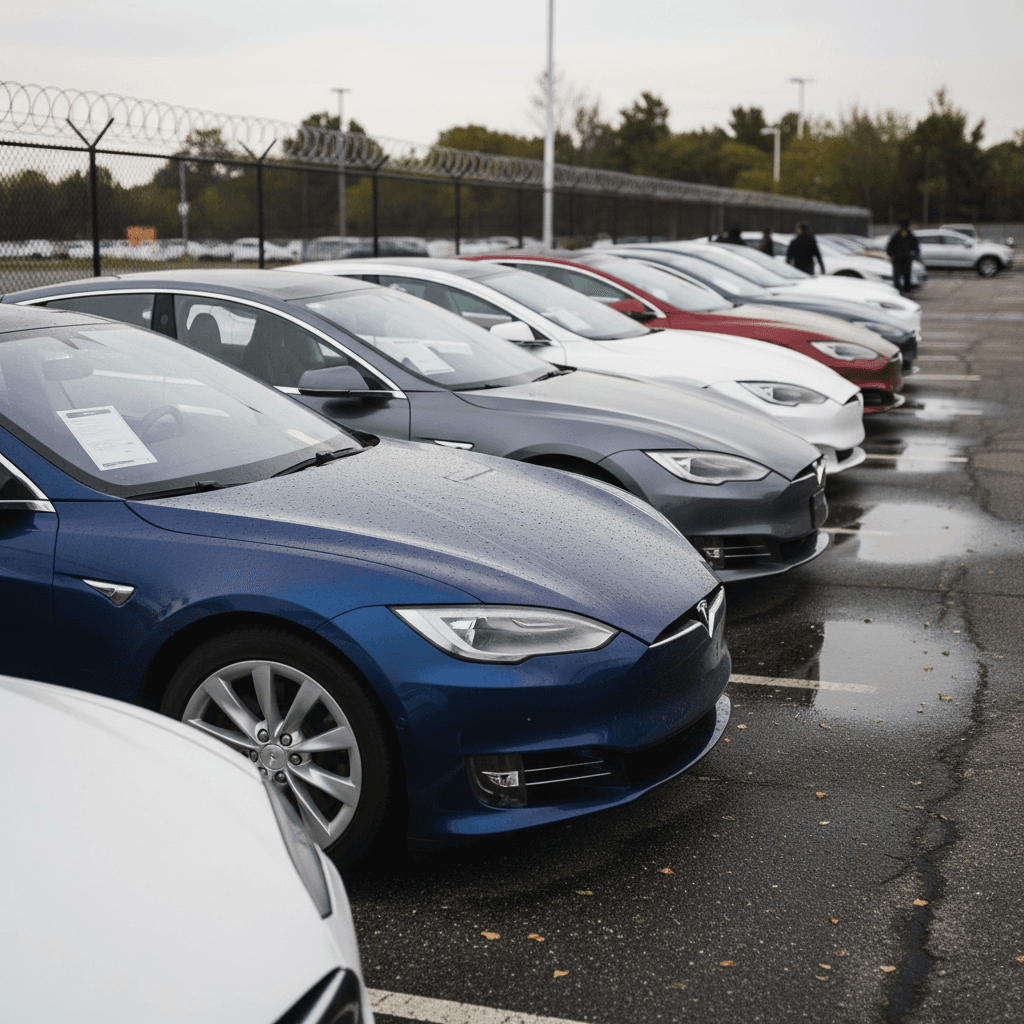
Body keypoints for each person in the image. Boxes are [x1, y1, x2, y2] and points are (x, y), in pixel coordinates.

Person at [886, 219, 920, 295]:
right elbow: (889, 248)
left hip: (906, 260)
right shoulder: (897, 236)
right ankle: (899, 291)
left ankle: (905, 291)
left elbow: (916, 248)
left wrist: (914, 256)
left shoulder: (910, 236)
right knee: (898, 277)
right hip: (898, 260)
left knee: (905, 276)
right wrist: (892, 255)